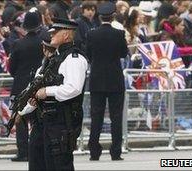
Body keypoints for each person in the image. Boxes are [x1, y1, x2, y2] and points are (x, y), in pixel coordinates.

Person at [17, 18, 88, 170]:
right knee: (38, 164)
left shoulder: (74, 59)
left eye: (56, 32)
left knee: (58, 165)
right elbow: (33, 90)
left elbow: (73, 88)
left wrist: (47, 91)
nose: (52, 35)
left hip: (61, 122)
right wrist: (24, 108)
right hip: (43, 123)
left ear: (67, 35)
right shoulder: (52, 60)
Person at [86, 2, 128, 161]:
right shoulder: (119, 33)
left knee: (96, 116)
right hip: (115, 79)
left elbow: (88, 54)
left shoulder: (91, 34)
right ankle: (115, 151)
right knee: (116, 116)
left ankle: (94, 151)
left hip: (97, 79)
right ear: (113, 16)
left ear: (100, 16)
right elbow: (124, 53)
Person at [9, 10, 43, 162]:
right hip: (39, 84)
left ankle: (23, 152)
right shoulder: (43, 43)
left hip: (21, 85)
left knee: (20, 119)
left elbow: (12, 67)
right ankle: (38, 150)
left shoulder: (18, 44)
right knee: (39, 119)